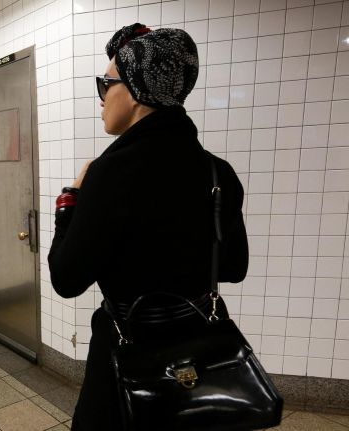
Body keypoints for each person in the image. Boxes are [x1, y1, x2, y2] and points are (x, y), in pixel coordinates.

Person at [47, 24, 249, 430]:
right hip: (199, 351)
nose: (101, 98)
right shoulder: (218, 171)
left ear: (136, 89)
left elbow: (66, 279)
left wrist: (70, 199)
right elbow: (233, 268)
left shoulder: (108, 175)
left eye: (106, 84)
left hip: (127, 351)